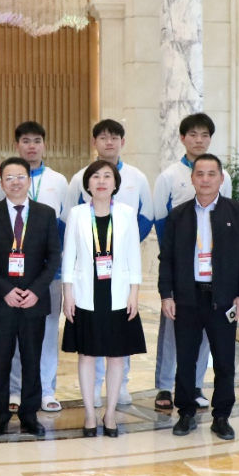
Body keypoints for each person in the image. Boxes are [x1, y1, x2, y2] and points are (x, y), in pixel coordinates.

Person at [158, 154, 239, 441]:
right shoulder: (179, 215)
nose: (205, 179)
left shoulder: (237, 212)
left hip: (223, 299)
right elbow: (167, 259)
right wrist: (166, 295)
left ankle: (221, 416)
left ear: (221, 179)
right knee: (186, 359)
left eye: (212, 174)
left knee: (224, 361)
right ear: (192, 179)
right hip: (187, 297)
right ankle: (186, 412)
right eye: (200, 174)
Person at [65, 120, 154, 407]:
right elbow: (69, 235)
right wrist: (68, 289)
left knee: (118, 343)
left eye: (114, 138)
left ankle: (118, 391)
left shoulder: (134, 185)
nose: (109, 142)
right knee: (89, 346)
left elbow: (145, 221)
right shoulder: (78, 196)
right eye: (103, 137)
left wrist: (125, 255)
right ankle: (92, 396)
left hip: (118, 276)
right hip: (86, 280)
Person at [151, 113, 232, 411]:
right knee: (172, 331)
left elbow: (227, 220)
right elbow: (161, 221)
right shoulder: (169, 176)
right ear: (183, 138)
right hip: (181, 268)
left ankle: (195, 384)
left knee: (206, 334)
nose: (199, 140)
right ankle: (164, 385)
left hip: (212, 272)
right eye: (193, 135)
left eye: (205, 135)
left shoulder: (224, 176)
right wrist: (177, 261)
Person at [0, 157, 60, 437]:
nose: (15, 182)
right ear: (1, 183)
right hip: (3, 301)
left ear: (29, 180)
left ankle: (29, 415)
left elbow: (54, 257)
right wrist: (5, 290)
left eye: (20, 177)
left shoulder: (46, 214)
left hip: (34, 301)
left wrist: (36, 291)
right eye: (9, 178)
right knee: (0, 360)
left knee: (32, 360)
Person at [62, 160, 145, 437]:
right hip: (86, 293)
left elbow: (134, 255)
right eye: (95, 176)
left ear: (115, 184)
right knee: (87, 355)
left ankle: (109, 414)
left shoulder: (126, 213)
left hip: (118, 293)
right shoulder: (76, 214)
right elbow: (69, 256)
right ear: (87, 184)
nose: (101, 181)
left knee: (116, 356)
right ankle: (89, 413)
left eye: (107, 176)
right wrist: (67, 293)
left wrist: (134, 292)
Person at [0, 121, 68, 413]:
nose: (31, 146)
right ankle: (14, 390)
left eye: (37, 141)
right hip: (9, 279)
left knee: (45, 335)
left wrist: (48, 275)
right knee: (9, 338)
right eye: (26, 141)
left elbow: (63, 228)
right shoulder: (0, 182)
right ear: (17, 145)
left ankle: (46, 389)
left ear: (44, 145)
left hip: (46, 276)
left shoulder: (58, 180)